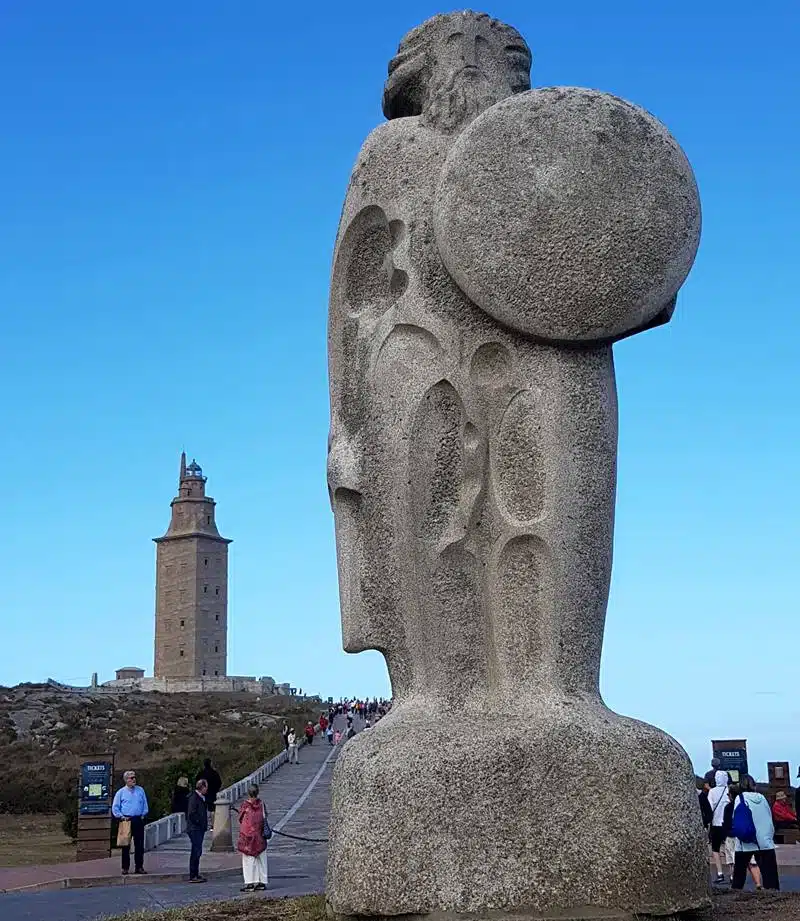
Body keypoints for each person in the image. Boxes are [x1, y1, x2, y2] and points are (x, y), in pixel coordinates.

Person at [730, 775, 779, 891]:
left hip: (747, 839)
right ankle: (774, 895)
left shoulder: (740, 798)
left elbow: (737, 818)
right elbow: (768, 816)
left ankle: (736, 893)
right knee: (770, 874)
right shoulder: (762, 798)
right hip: (765, 840)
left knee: (739, 873)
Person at [111, 770, 148, 875]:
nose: (133, 779)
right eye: (131, 778)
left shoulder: (140, 790)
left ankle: (139, 867)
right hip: (126, 820)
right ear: (126, 780)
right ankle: (125, 867)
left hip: (138, 819)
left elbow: (145, 805)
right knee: (125, 845)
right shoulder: (121, 792)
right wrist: (121, 816)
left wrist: (143, 814)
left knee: (139, 845)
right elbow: (115, 807)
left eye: (134, 777)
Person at [237, 783, 269, 891]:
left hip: (248, 836)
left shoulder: (245, 805)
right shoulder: (262, 804)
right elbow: (265, 816)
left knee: (248, 860)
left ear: (248, 793)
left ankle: (250, 882)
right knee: (261, 859)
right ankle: (261, 881)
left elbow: (240, 819)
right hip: (260, 835)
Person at [706, 769, 729, 884]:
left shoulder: (712, 792)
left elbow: (709, 808)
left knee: (715, 849)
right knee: (729, 849)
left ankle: (720, 873)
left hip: (716, 824)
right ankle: (732, 874)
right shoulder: (729, 791)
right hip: (727, 825)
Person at [186, 779, 208, 882]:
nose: (207, 789)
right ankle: (193, 874)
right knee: (196, 851)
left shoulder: (199, 797)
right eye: (206, 787)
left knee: (197, 851)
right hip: (195, 829)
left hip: (198, 828)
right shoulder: (194, 798)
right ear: (202, 787)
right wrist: (200, 822)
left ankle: (195, 873)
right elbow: (192, 814)